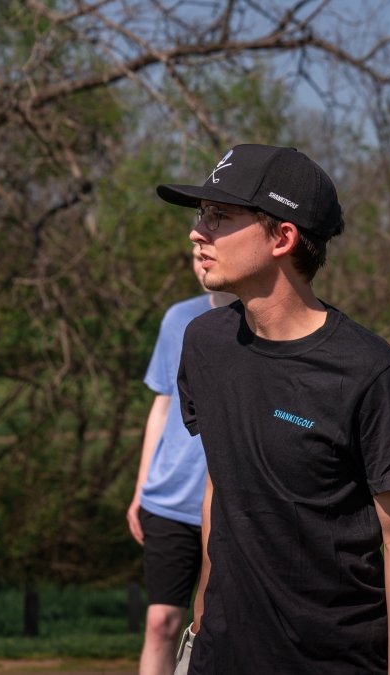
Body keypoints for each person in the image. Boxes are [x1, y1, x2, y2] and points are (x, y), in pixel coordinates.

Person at [155, 144, 390, 675]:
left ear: (282, 237)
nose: (198, 232)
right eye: (201, 214)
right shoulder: (205, 343)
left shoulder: (371, 372)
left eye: (220, 216)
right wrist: (200, 625)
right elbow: (221, 484)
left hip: (333, 659)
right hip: (220, 652)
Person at [127, 247, 235, 675]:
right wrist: (141, 490)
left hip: (228, 503)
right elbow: (162, 406)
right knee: (160, 622)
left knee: (214, 627)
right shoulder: (177, 319)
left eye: (206, 252)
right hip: (168, 500)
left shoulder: (264, 323)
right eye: (193, 255)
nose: (199, 260)